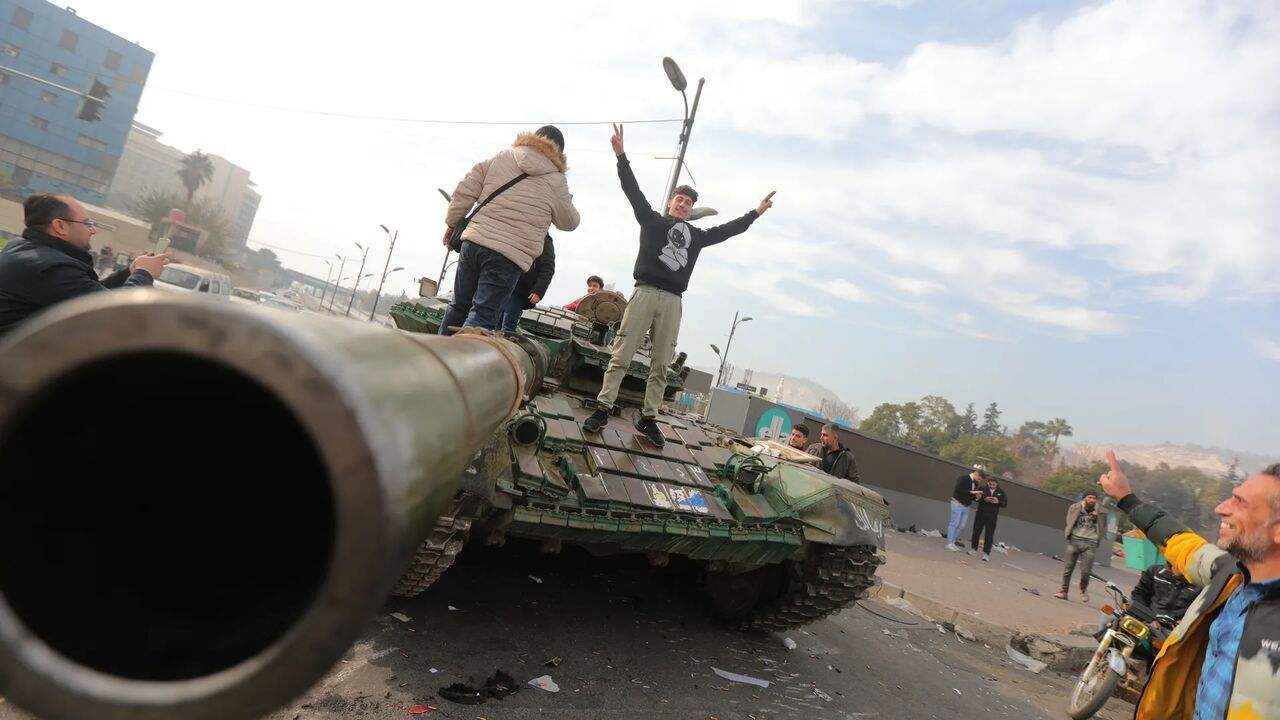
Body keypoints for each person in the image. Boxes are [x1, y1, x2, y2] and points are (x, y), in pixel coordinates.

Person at [581, 124, 775, 448]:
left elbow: (727, 230)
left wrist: (755, 213)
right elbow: (633, 191)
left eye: (688, 203)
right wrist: (621, 156)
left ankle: (649, 417)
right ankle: (603, 407)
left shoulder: (697, 237)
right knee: (622, 355)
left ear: (690, 209)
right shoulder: (653, 222)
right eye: (679, 200)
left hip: (672, 300)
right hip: (644, 294)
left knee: (661, 364)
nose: (683, 205)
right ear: (671, 202)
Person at [1099, 451, 1280, 719]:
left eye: (1240, 502)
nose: (1221, 508)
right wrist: (1127, 498)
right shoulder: (1229, 578)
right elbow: (1180, 541)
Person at [439, 126, 579, 335]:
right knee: (483, 314)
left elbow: (466, 189)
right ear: (559, 153)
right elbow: (570, 222)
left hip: (474, 242)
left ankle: (439, 357)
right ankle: (458, 364)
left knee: (458, 305)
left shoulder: (504, 157)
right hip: (508, 255)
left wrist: (451, 223)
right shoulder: (557, 181)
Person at [0, 193, 169, 338]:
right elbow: (117, 316)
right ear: (60, 226)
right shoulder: (50, 267)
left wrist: (129, 272)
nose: (93, 230)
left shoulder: (23, 248)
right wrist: (144, 273)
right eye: (87, 223)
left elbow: (86, 296)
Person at [497, 234, 555, 334]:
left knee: (508, 325)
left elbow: (547, 268)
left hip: (520, 289)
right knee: (493, 321)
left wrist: (538, 291)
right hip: (503, 283)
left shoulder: (544, 240)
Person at [1058, 490, 1104, 601]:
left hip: (1090, 543)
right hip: (1075, 540)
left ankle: (1083, 589)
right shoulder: (1074, 507)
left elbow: (1102, 526)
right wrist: (1069, 533)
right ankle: (1063, 591)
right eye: (1089, 497)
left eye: (1094, 498)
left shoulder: (1100, 511)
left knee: (1086, 571)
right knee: (1068, 568)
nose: (1092, 500)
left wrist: (1097, 514)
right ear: (1084, 498)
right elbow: (1069, 520)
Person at [1130, 561, 1199, 631]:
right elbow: (1138, 595)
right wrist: (1149, 619)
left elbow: (1199, 613)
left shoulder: (1199, 586)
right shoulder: (1155, 572)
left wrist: (1184, 624)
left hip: (1174, 632)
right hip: (1147, 622)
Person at [969, 475, 1008, 561]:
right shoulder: (982, 488)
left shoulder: (1001, 492)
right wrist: (983, 498)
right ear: (987, 483)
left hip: (992, 516)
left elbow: (1005, 504)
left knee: (989, 535)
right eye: (990, 484)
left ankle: (986, 554)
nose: (991, 486)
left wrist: (998, 501)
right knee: (976, 532)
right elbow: (975, 498)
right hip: (980, 514)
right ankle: (973, 549)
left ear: (997, 484)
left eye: (993, 484)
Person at [946, 467, 986, 551]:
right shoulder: (963, 478)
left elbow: (971, 496)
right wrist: (971, 492)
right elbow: (958, 489)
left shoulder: (975, 483)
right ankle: (949, 543)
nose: (979, 481)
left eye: (980, 480)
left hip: (966, 506)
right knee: (954, 523)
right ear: (976, 474)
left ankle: (952, 542)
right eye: (979, 479)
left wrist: (977, 497)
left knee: (961, 526)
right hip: (957, 503)